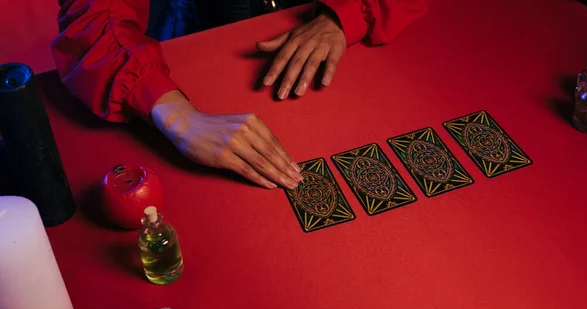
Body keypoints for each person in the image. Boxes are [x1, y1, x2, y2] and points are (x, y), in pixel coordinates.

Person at [51, 0, 429, 190]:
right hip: (188, 48)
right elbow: (92, 17)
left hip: (313, 22)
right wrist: (178, 116)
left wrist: (344, 16)